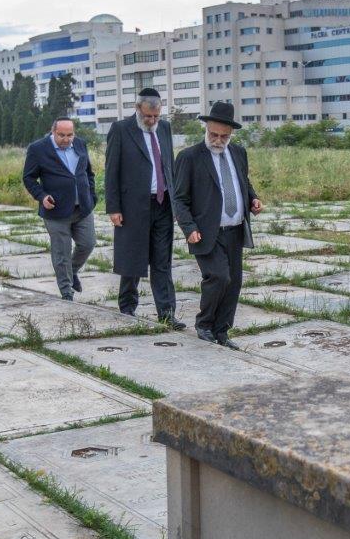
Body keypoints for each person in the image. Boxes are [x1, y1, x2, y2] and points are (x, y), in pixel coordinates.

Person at [171, 100, 261, 349]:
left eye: (224, 135)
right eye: (214, 134)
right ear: (206, 128)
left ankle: (222, 331)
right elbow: (179, 198)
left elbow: (243, 182)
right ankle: (204, 323)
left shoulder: (239, 153)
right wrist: (189, 228)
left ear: (231, 134)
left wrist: (253, 200)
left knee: (234, 283)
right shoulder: (190, 157)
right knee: (219, 277)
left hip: (235, 230)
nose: (218, 139)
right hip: (206, 232)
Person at [104, 88, 183, 328]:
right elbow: (111, 172)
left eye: (156, 116)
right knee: (132, 258)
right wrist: (113, 207)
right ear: (138, 109)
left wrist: (177, 204)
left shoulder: (165, 129)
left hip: (163, 203)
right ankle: (127, 307)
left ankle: (167, 313)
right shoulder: (121, 130)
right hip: (132, 206)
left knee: (162, 260)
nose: (152, 121)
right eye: (148, 116)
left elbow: (169, 166)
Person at [21, 117, 96, 300]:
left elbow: (88, 172)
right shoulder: (38, 149)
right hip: (56, 210)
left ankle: (72, 272)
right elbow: (29, 178)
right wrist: (41, 196)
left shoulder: (80, 144)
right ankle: (67, 291)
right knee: (61, 252)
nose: (66, 139)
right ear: (53, 132)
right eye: (61, 135)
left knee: (88, 243)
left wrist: (92, 195)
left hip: (82, 208)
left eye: (70, 135)